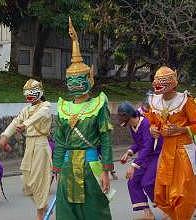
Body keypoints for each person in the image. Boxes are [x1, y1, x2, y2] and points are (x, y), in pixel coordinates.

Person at [52, 17, 113, 220]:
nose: (75, 84)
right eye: (71, 80)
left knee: (95, 211)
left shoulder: (98, 104)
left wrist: (106, 171)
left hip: (91, 165)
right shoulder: (63, 108)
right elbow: (60, 140)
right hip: (69, 167)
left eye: (80, 79)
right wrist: (57, 168)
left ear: (90, 79)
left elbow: (105, 139)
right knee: (67, 212)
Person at [0, 79, 52, 220]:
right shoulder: (26, 109)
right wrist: (5, 136)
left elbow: (38, 116)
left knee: (38, 180)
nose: (29, 96)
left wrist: (25, 124)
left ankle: (40, 211)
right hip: (29, 145)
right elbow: (15, 122)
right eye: (27, 93)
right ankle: (44, 206)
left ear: (40, 92)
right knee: (27, 182)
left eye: (32, 93)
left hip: (41, 145)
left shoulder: (46, 106)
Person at [148, 66, 196, 220]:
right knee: (161, 193)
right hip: (166, 151)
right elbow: (153, 122)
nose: (157, 84)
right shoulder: (155, 102)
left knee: (182, 192)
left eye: (162, 82)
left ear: (172, 83)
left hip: (183, 151)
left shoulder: (185, 100)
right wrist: (153, 129)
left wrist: (181, 130)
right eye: (156, 81)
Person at [118, 102, 162, 220]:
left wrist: (133, 165)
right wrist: (129, 152)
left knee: (147, 182)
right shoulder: (133, 126)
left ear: (129, 116)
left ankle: (167, 208)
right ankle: (148, 213)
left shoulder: (146, 123)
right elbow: (138, 143)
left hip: (155, 155)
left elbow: (148, 146)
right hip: (144, 157)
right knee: (132, 182)